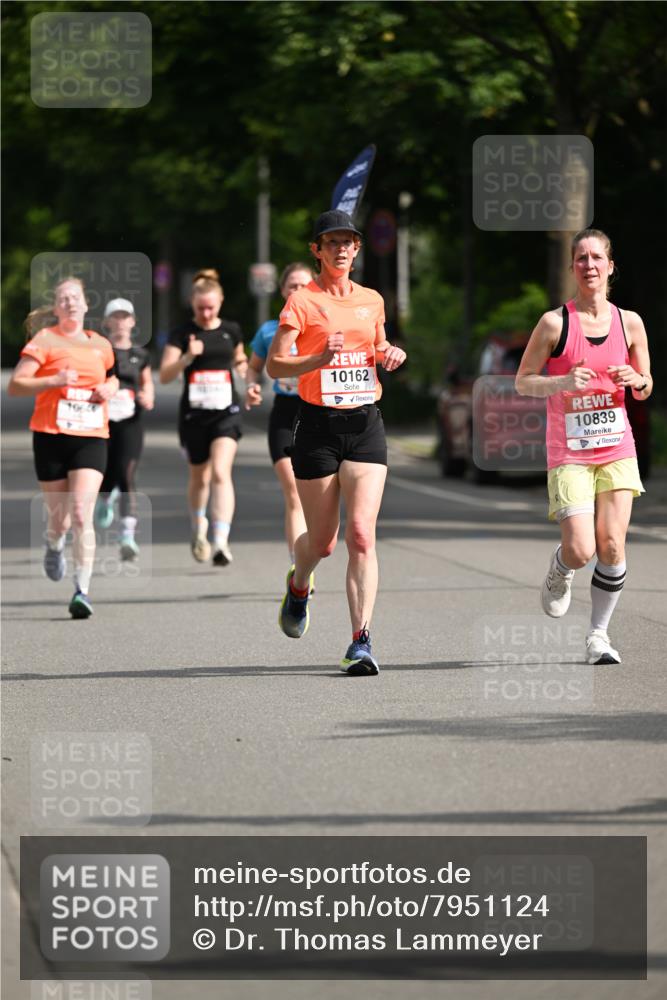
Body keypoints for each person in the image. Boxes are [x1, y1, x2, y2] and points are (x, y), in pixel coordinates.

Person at [266, 210, 407, 675]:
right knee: (324, 543)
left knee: (361, 534)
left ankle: (360, 641)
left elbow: (377, 347)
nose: (341, 249)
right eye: (332, 242)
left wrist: (389, 353)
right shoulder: (302, 301)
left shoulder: (372, 300)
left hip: (365, 423)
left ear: (357, 249)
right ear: (317, 250)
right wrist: (316, 358)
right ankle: (299, 582)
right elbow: (275, 365)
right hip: (318, 427)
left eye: (348, 242)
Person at [515, 228, 652, 664]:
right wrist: (561, 382)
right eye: (581, 258)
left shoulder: (630, 323)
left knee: (611, 545)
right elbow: (523, 382)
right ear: (572, 267)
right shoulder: (555, 323)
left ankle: (598, 636)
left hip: (616, 446)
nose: (589, 265)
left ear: (610, 266)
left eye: (596, 257)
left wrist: (637, 379)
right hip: (570, 450)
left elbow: (646, 385)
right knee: (581, 549)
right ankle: (561, 567)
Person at [7, 277, 119, 618]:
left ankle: (82, 590)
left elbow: (113, 376)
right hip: (51, 436)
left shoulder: (101, 344)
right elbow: (16, 385)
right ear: (56, 308)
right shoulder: (44, 340)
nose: (70, 303)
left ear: (86, 304)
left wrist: (111, 388)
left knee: (83, 512)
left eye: (75, 297)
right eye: (63, 299)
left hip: (91, 436)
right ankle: (54, 542)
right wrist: (52, 380)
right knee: (61, 521)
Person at [159, 269, 247, 565]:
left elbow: (239, 359)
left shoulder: (231, 330)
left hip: (226, 413)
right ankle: (199, 526)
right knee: (200, 476)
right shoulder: (181, 334)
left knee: (221, 471)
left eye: (211, 307)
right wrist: (187, 357)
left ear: (220, 301)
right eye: (200, 308)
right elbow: (165, 375)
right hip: (194, 416)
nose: (206, 314)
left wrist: (245, 371)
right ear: (192, 305)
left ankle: (221, 541)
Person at [245, 262, 314, 571]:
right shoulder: (270, 330)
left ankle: (309, 553)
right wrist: (251, 386)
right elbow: (254, 367)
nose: (298, 290)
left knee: (317, 497)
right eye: (292, 286)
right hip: (284, 415)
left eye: (304, 285)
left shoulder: (324, 326)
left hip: (317, 414)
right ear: (283, 291)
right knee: (294, 493)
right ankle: (298, 567)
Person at [94, 298, 154, 560]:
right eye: (115, 317)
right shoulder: (99, 351)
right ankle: (105, 498)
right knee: (106, 471)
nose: (120, 321)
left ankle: (127, 535)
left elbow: (146, 382)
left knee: (127, 474)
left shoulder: (141, 355)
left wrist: (148, 396)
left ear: (132, 321)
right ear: (107, 322)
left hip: (131, 421)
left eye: (124, 316)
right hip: (102, 422)